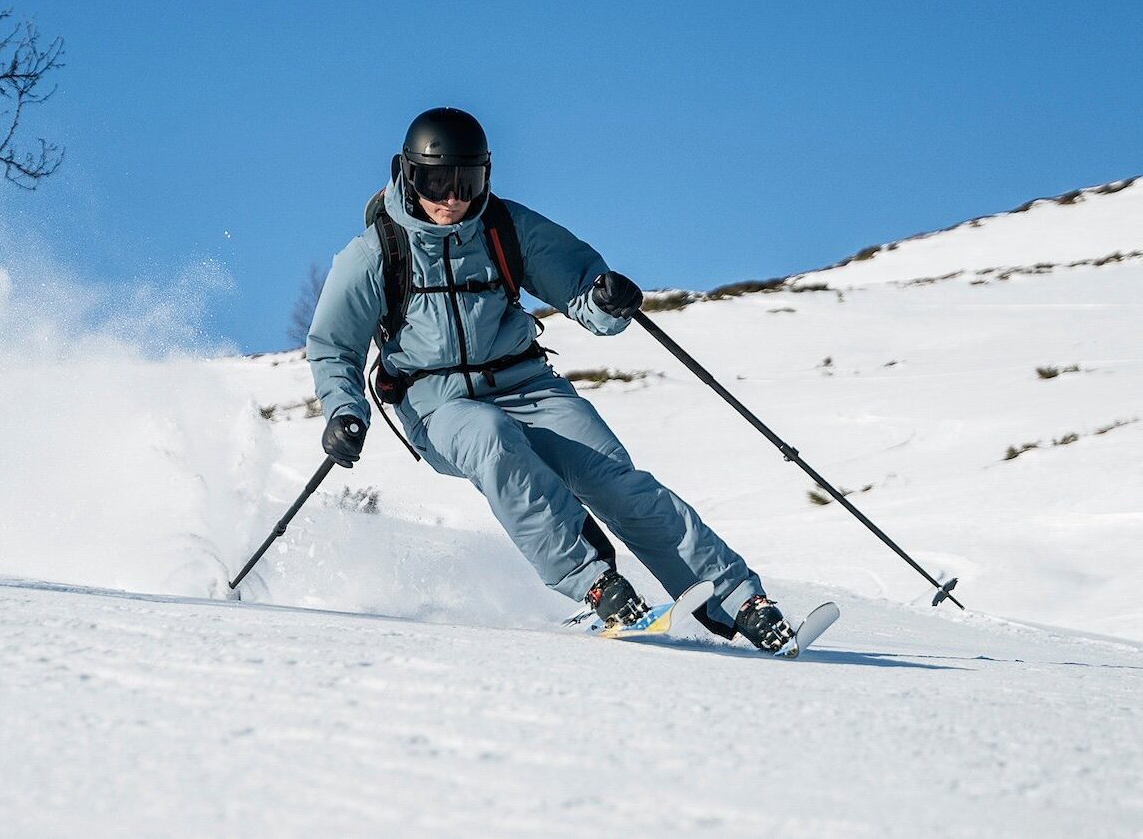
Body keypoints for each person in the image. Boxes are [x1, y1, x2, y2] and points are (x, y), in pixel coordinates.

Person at [305, 107, 795, 651]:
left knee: (615, 479)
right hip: (437, 403)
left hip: (527, 384)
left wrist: (608, 298)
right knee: (491, 438)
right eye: (436, 181)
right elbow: (332, 346)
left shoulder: (505, 227)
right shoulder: (376, 252)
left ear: (486, 175)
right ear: (407, 174)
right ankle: (596, 586)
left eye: (467, 181)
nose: (452, 198)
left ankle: (738, 600)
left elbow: (582, 285)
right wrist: (345, 411)